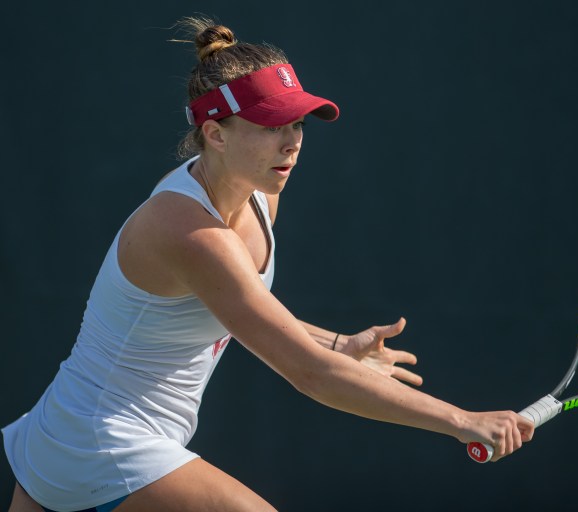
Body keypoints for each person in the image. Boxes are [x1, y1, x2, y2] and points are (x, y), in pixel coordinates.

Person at [3, 17, 534, 512]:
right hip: (101, 440)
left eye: (299, 123)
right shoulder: (187, 231)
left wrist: (335, 343)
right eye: (272, 126)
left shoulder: (258, 194)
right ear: (215, 133)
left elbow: (237, 309)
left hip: (79, 431)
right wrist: (462, 421)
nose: (294, 142)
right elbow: (311, 376)